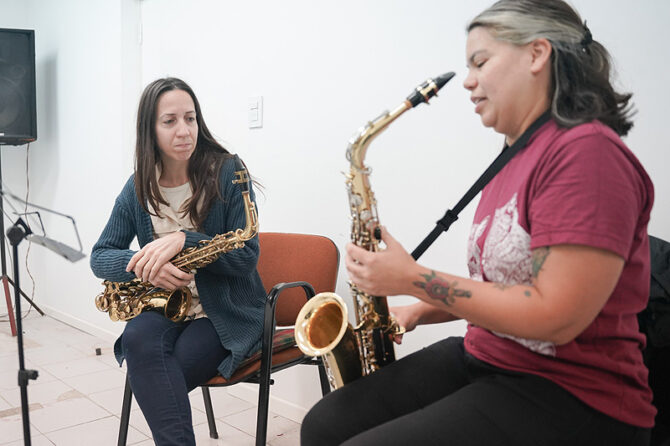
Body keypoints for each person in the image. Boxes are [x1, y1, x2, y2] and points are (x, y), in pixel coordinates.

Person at [300, 1, 655, 445]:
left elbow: (555, 315)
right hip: (489, 357)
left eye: (480, 62)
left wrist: (412, 279)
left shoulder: (587, 154)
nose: (468, 80)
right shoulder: (515, 154)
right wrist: (417, 310)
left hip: (573, 393)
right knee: (323, 425)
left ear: (537, 54)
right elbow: (506, 286)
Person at [90, 77, 265, 446]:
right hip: (165, 304)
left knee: (158, 377)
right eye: (169, 121)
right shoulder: (138, 187)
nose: (184, 131)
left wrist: (187, 239)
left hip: (225, 312)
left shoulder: (228, 172)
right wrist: (144, 263)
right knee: (137, 340)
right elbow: (100, 256)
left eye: (190, 118)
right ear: (150, 130)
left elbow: (246, 256)